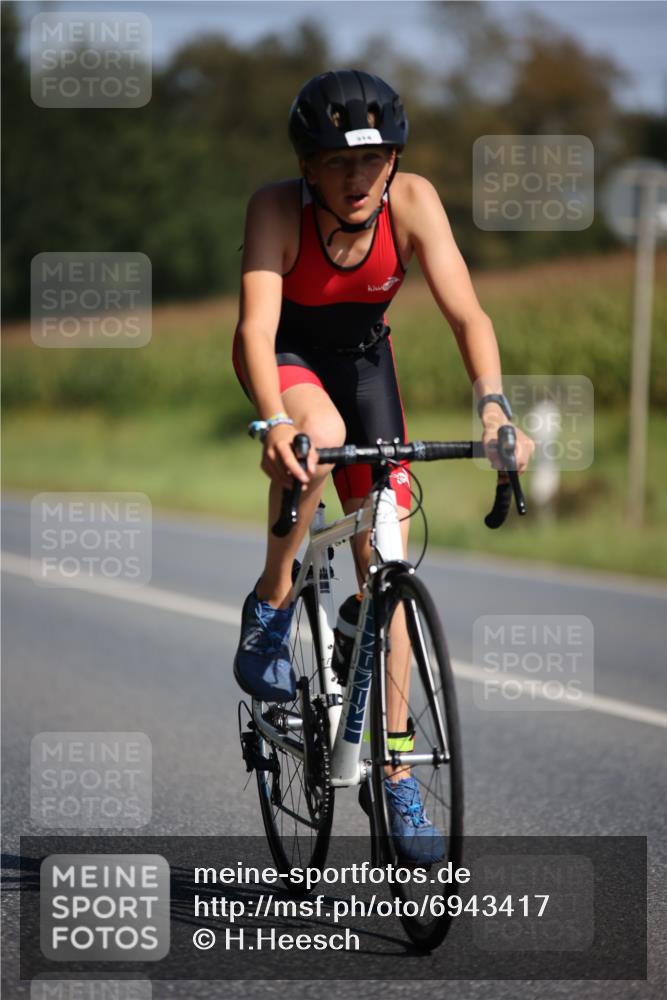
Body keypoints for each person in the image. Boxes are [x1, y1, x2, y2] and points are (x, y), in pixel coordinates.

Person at [231, 70, 533, 862]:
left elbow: (467, 313)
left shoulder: (413, 202)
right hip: (286, 360)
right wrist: (272, 422)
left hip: (366, 362)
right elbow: (256, 330)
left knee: (387, 566)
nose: (356, 179)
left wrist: (494, 409)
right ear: (306, 167)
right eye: (335, 163)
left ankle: (394, 771)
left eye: (371, 160)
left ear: (392, 161)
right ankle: (269, 603)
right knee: (315, 439)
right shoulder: (274, 208)